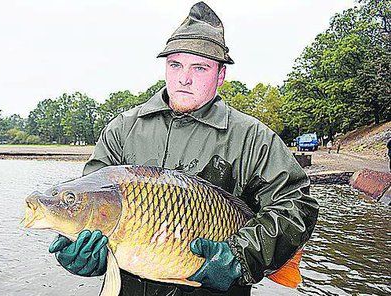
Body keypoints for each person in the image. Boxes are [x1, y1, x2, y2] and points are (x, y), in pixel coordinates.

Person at [48, 2, 319, 295]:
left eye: (199, 67)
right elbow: (91, 200)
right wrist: (76, 246)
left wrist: (242, 256)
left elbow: (296, 206)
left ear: (220, 76)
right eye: (175, 64)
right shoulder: (122, 129)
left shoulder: (253, 138)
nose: (183, 78)